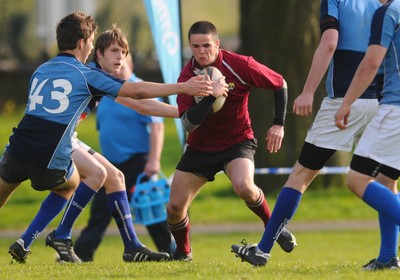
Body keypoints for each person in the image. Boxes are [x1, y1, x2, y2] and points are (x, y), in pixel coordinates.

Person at [0, 11, 225, 264]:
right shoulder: (90, 76)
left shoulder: (43, 69)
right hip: (54, 143)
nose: (120, 57)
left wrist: (187, 115)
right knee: (91, 176)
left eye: (123, 52)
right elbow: (138, 94)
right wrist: (184, 87)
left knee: (114, 176)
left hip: (23, 143)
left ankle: (130, 246)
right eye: (113, 51)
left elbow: (143, 107)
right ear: (90, 47)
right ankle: (60, 235)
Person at [231, 0, 399, 270]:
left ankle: (262, 250)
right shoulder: (383, 5)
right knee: (386, 182)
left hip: (345, 99)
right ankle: (388, 256)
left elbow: (330, 43)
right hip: (383, 102)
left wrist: (308, 90)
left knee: (300, 175)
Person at [166, 20, 296, 262]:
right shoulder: (187, 76)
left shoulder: (239, 64)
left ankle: (273, 228)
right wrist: (210, 96)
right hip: (200, 148)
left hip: (237, 142)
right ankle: (183, 253)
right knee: (173, 209)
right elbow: (187, 123)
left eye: (206, 45)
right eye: (195, 47)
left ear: (217, 43)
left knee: (244, 186)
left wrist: (279, 123)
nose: (201, 52)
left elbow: (280, 83)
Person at [73, 40, 175, 262]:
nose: (119, 66)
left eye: (123, 60)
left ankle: (172, 251)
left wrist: (154, 161)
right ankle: (82, 253)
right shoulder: (106, 89)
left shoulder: (139, 88)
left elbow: (157, 126)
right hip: (111, 161)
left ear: (129, 63)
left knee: (148, 210)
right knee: (103, 209)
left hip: (138, 161)